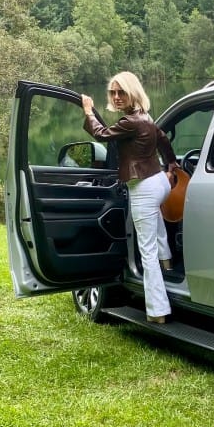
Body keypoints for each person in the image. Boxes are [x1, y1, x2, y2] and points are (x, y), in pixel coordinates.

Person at [81, 72, 179, 324]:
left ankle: (157, 311)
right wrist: (171, 164)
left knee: (146, 252)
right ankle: (167, 262)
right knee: (157, 226)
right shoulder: (145, 117)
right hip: (159, 182)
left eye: (121, 92)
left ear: (132, 92)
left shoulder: (130, 122)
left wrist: (89, 112)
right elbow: (163, 138)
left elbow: (101, 134)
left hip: (144, 187)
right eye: (113, 92)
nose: (116, 97)